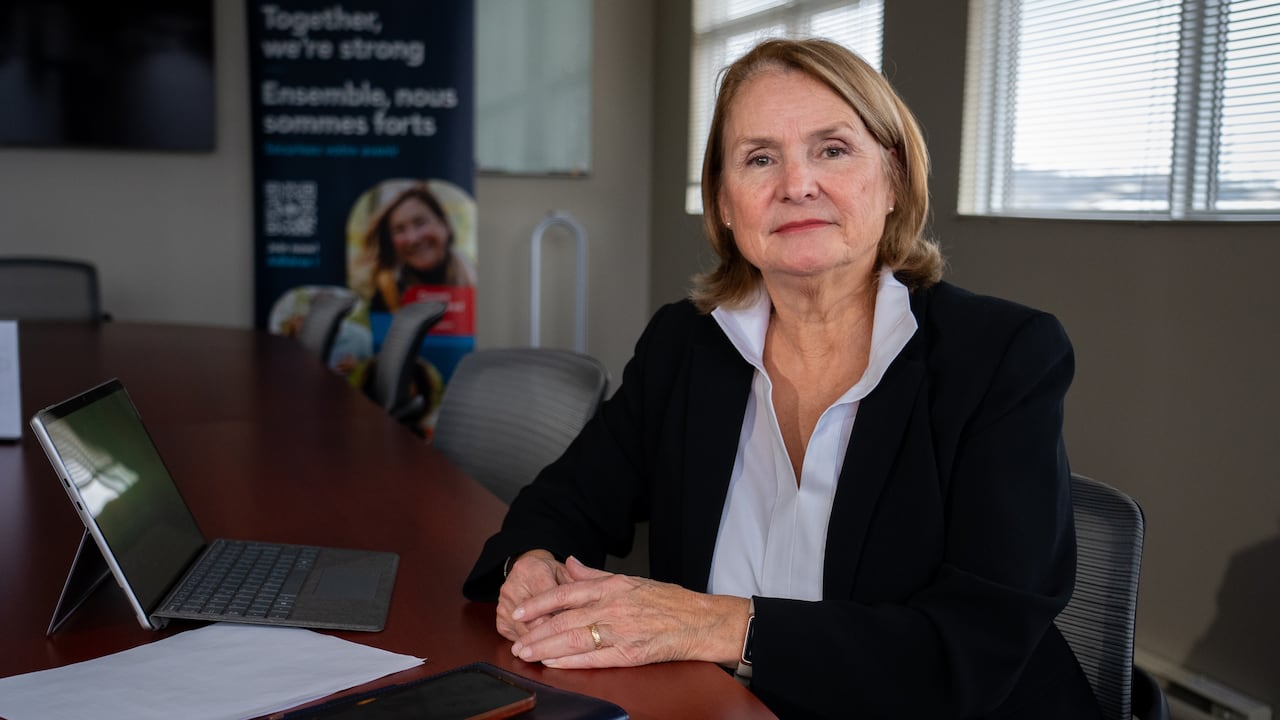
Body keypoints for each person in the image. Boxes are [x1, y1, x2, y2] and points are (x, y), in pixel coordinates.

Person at [463, 38, 1102, 719]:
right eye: (760, 158)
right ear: (726, 202)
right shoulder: (687, 345)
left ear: (891, 177)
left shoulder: (1000, 356)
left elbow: (971, 648)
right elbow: (566, 500)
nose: (796, 184)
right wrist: (529, 563)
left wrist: (714, 624)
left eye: (832, 149)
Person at [363, 182, 476, 313]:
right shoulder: (385, 298)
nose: (412, 238)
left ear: (444, 224)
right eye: (399, 230)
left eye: (420, 223)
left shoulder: (480, 281)